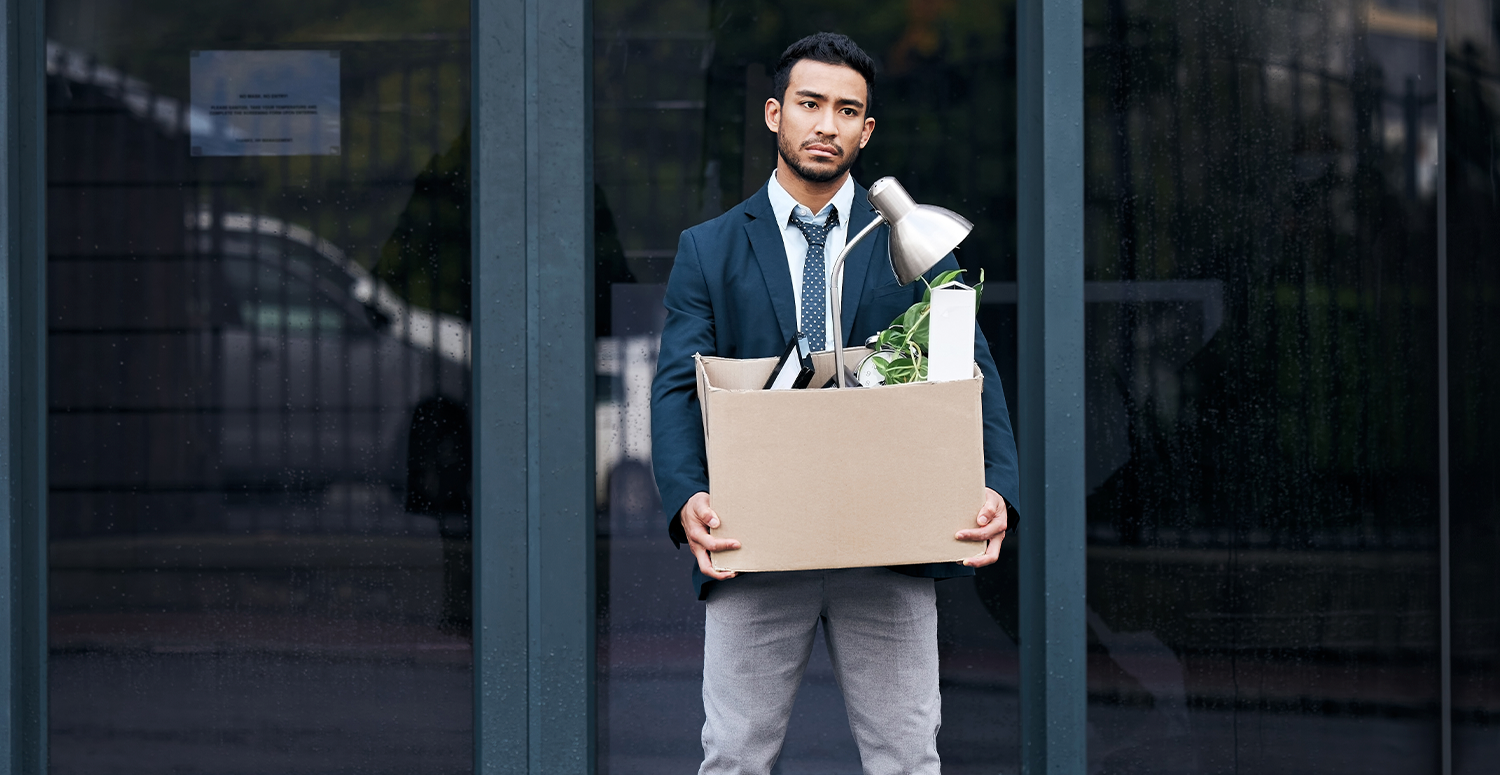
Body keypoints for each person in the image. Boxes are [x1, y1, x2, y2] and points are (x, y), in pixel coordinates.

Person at [650, 32, 1020, 775]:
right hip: (756, 540)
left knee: (908, 760)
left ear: (866, 129)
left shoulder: (912, 240)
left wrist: (996, 487)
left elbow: (969, 364)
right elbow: (675, 387)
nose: (827, 124)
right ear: (774, 114)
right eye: (810, 104)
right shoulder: (709, 249)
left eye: (847, 110)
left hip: (888, 540)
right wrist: (687, 495)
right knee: (733, 759)